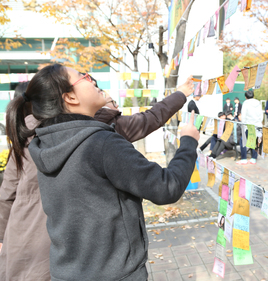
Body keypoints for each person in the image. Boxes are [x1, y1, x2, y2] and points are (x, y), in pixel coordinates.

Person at [4, 64, 199, 281]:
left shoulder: (42, 143)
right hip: (114, 274)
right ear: (70, 98)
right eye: (83, 77)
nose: (92, 80)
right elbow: (166, 188)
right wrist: (189, 141)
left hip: (65, 273)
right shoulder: (101, 143)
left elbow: (147, 119)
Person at [237, 89, 263, 165]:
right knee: (255, 142)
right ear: (253, 96)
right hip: (257, 125)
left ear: (246, 97)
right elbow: (261, 115)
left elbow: (244, 115)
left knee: (243, 142)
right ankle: (253, 158)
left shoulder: (246, 103)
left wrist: (243, 123)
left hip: (248, 125)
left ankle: (244, 159)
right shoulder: (258, 102)